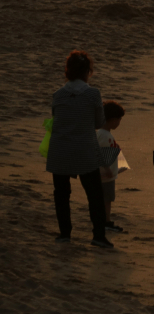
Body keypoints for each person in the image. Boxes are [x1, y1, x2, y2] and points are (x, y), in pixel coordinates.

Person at [46, 50, 113, 248]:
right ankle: (98, 236)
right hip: (84, 148)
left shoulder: (58, 94)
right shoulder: (93, 93)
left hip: (60, 148)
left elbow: (56, 117)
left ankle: (64, 233)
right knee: (94, 194)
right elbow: (99, 122)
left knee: (61, 193)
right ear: (87, 71)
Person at [97, 100, 126, 232]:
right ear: (113, 120)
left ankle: (106, 221)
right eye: (119, 120)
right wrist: (108, 169)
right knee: (105, 199)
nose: (119, 123)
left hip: (107, 175)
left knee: (107, 199)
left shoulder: (105, 134)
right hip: (104, 175)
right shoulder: (103, 135)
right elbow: (99, 154)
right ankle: (105, 222)